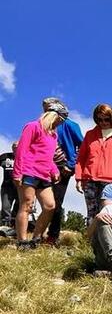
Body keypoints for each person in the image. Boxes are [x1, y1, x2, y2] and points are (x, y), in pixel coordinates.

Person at [12, 102, 67, 249]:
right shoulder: (32, 126)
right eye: (60, 120)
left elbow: (48, 156)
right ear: (53, 116)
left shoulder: (53, 135)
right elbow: (22, 150)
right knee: (27, 205)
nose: (60, 123)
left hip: (44, 174)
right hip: (28, 171)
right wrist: (17, 172)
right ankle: (22, 241)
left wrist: (54, 170)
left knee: (50, 206)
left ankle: (36, 238)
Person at [76, 103, 112, 221]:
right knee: (91, 213)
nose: (103, 122)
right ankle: (90, 234)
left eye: (107, 119)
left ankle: (106, 234)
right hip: (89, 180)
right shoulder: (90, 134)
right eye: (100, 119)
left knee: (107, 213)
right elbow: (81, 158)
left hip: (110, 181)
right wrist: (79, 178)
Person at [43, 97, 83, 244]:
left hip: (62, 167)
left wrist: (71, 165)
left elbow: (83, 146)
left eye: (49, 108)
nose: (47, 112)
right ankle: (40, 231)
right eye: (45, 109)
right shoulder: (43, 125)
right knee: (45, 200)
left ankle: (53, 236)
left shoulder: (70, 125)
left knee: (56, 201)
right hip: (44, 167)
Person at [1, 142, 17, 226]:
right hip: (7, 186)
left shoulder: (26, 157)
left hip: (20, 187)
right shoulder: (5, 156)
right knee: (5, 207)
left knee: (19, 206)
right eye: (14, 146)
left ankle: (15, 225)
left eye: (18, 146)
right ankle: (5, 226)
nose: (16, 147)